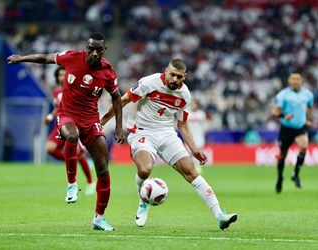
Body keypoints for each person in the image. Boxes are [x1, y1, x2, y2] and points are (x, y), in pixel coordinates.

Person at [7, 32, 126, 231]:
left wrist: (119, 127)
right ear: (86, 48)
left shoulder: (108, 72)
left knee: (104, 170)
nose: (94, 53)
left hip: (91, 119)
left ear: (104, 50)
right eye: (91, 48)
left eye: (98, 49)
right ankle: (72, 183)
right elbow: (45, 58)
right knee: (72, 135)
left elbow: (117, 99)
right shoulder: (72, 57)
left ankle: (99, 218)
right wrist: (22, 58)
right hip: (67, 113)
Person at [101, 58, 237, 230]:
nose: (174, 79)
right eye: (171, 75)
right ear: (166, 71)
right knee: (144, 170)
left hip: (167, 134)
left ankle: (219, 215)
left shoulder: (184, 94)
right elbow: (122, 101)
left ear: (184, 77)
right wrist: (103, 122)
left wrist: (194, 149)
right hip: (142, 132)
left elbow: (182, 124)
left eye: (179, 77)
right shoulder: (149, 83)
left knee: (191, 172)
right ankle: (143, 202)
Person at [43, 66, 95, 196]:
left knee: (78, 154)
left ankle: (90, 181)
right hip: (60, 123)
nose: (62, 77)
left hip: (72, 123)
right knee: (50, 148)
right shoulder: (56, 92)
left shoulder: (74, 89)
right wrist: (50, 116)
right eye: (60, 75)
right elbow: (58, 107)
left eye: (64, 75)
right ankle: (72, 161)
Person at [272, 72, 314, 193]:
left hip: (299, 128)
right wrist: (284, 115)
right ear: (289, 81)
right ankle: (280, 177)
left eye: (298, 79)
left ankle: (295, 174)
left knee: (304, 146)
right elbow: (274, 112)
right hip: (286, 129)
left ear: (301, 81)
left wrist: (309, 120)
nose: (295, 81)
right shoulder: (283, 95)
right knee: (282, 155)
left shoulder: (308, 94)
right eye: (293, 79)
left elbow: (310, 108)